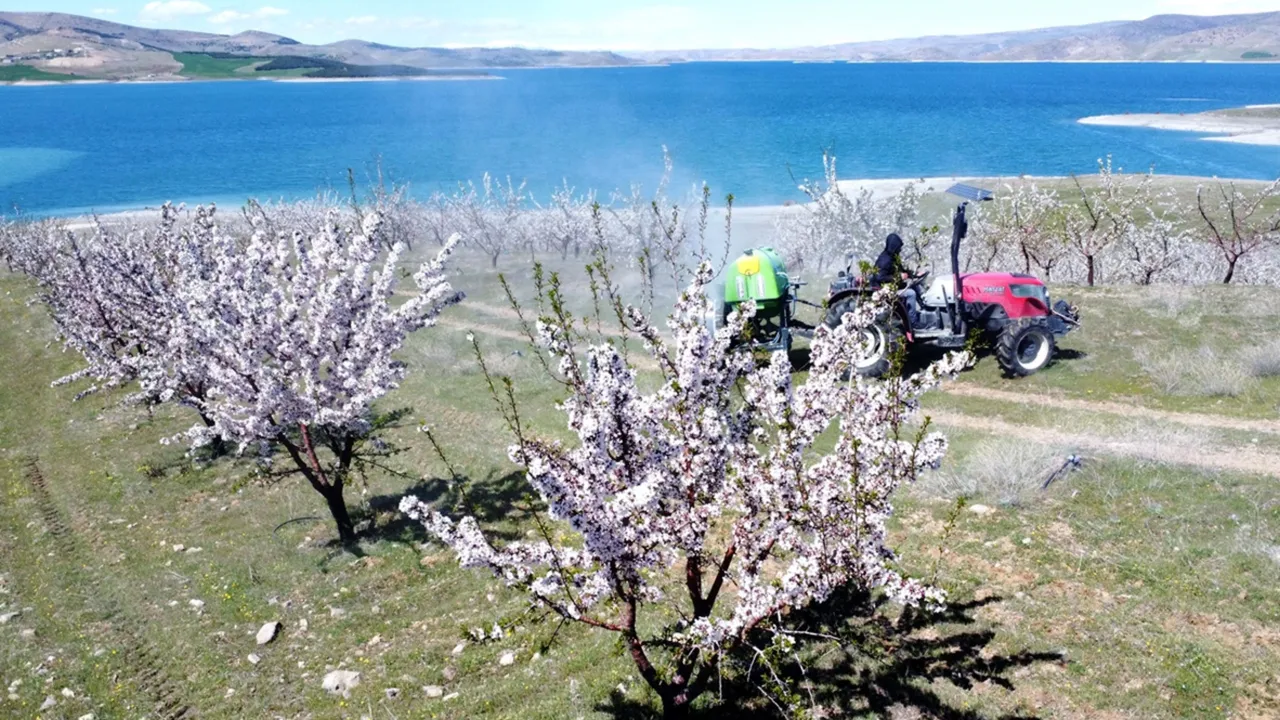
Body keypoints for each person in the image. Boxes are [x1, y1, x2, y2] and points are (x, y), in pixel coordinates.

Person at [871, 233, 921, 327]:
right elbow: (879, 277)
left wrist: (913, 274)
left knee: (913, 286)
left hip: (892, 286)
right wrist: (898, 277)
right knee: (911, 294)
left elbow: (902, 270)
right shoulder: (885, 260)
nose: (900, 250)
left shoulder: (893, 258)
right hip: (883, 289)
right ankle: (913, 322)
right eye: (898, 247)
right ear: (894, 247)